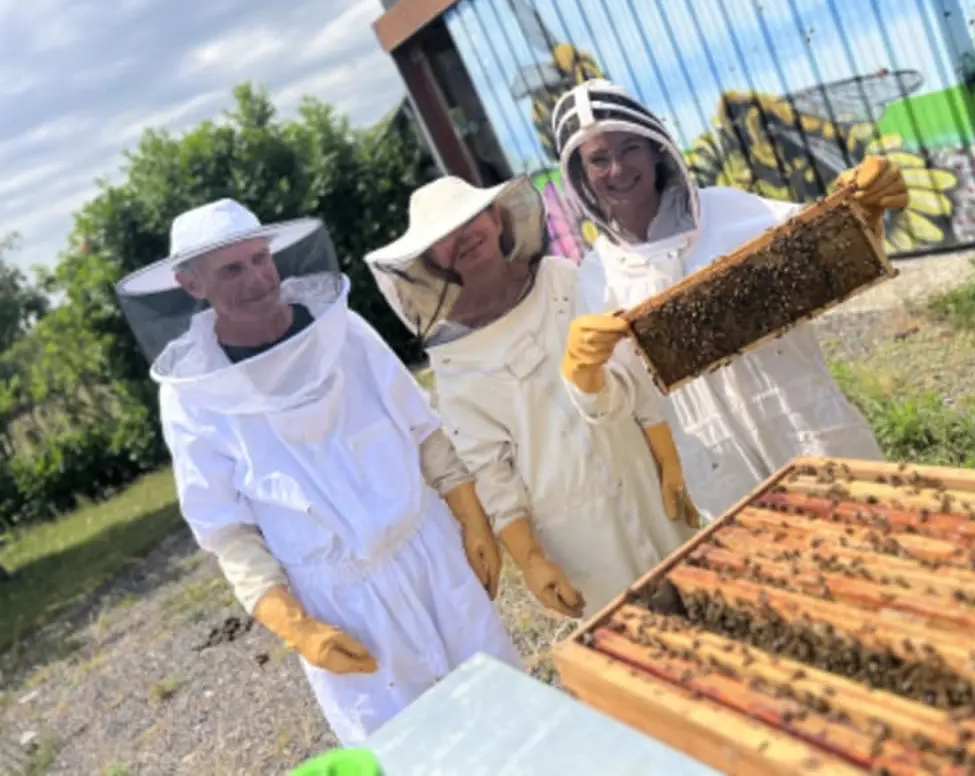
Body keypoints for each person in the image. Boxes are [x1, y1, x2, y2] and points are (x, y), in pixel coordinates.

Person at [115, 198, 521, 745]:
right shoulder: (192, 397)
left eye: (260, 258)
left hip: (430, 553)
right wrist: (296, 626)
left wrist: (471, 518)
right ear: (192, 285)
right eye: (232, 269)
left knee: (507, 716)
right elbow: (228, 532)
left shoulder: (343, 331)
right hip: (342, 604)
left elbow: (422, 431)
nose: (257, 277)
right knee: (412, 750)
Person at [550, 79, 909, 520]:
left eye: (629, 150)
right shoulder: (597, 275)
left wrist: (866, 210)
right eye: (598, 160)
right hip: (720, 466)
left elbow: (834, 257)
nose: (618, 170)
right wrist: (582, 374)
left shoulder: (732, 210)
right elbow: (619, 400)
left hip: (809, 425)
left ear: (655, 148)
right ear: (580, 175)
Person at [364, 175, 699, 620]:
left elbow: (627, 364)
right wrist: (530, 558)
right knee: (641, 645)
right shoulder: (453, 360)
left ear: (496, 217)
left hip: (645, 477)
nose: (461, 238)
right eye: (442, 239)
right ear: (431, 260)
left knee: (708, 599)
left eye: (469, 219)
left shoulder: (560, 277)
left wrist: (669, 455)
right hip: (576, 530)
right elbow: (490, 469)